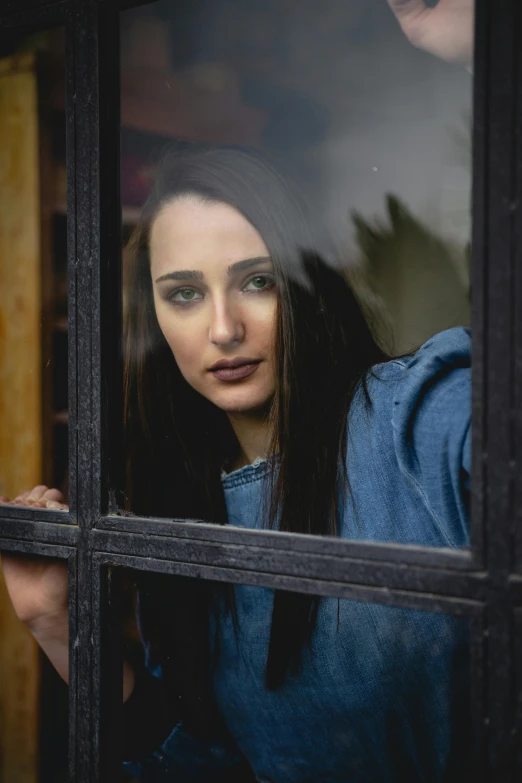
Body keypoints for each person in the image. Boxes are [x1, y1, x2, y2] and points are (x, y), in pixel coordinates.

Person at [0, 1, 475, 781]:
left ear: (308, 289)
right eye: (183, 294)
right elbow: (202, 762)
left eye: (256, 282)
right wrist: (58, 622)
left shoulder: (411, 419)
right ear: (153, 315)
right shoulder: (173, 507)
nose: (222, 328)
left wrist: (485, 53)